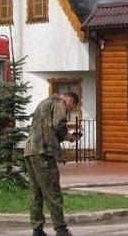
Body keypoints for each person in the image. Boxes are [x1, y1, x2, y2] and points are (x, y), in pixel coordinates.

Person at [23, 91, 81, 236]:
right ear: (69, 100)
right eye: (71, 107)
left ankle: (37, 230)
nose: (69, 110)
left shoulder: (44, 103)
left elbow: (46, 129)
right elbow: (58, 124)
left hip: (30, 151)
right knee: (52, 191)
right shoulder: (58, 103)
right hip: (44, 153)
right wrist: (68, 136)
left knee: (36, 192)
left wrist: (65, 137)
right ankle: (61, 230)